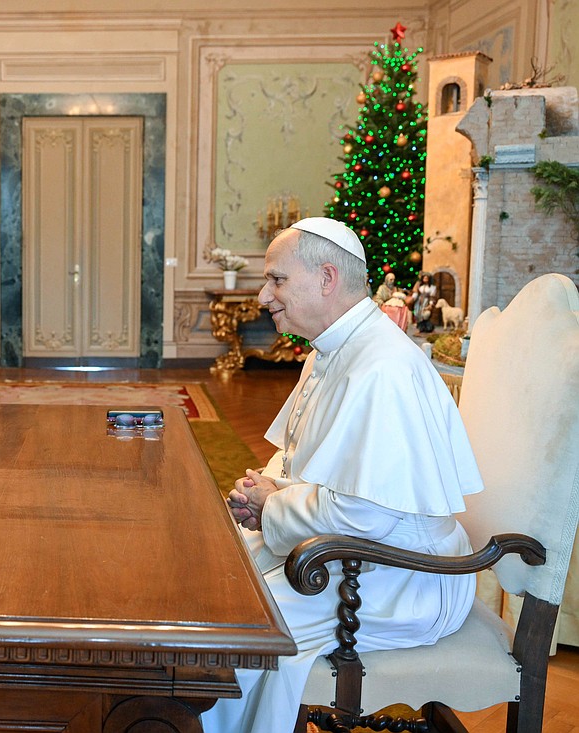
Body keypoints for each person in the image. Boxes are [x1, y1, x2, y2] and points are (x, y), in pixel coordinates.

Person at [201, 218, 483, 733]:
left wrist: (271, 507)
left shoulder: (382, 369)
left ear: (327, 278)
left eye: (277, 280)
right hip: (350, 556)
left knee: (238, 628)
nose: (264, 295)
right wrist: (258, 494)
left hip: (401, 579)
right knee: (211, 580)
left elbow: (367, 513)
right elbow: (297, 460)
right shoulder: (332, 352)